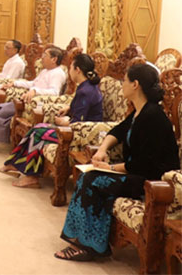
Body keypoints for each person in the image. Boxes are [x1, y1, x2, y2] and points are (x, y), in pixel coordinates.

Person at [55, 63, 179, 261]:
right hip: (136, 172)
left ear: (135, 84)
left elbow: (144, 165)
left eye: (125, 81)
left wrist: (110, 168)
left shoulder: (153, 116)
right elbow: (118, 131)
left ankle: (90, 247)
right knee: (89, 175)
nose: (122, 84)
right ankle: (86, 239)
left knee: (92, 181)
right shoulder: (140, 111)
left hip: (152, 181)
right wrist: (103, 150)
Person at [0, 53, 103, 188]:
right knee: (37, 128)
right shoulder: (85, 86)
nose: (69, 70)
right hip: (76, 129)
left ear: (77, 70)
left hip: (81, 135)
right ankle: (14, 164)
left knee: (39, 133)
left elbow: (79, 122)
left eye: (71, 67)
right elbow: (81, 108)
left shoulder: (86, 90)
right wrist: (68, 108)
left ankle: (31, 177)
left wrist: (64, 122)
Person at [0, 46, 67, 151]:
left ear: (54, 59)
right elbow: (33, 83)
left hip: (36, 104)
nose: (42, 58)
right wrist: (14, 84)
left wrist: (35, 91)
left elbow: (54, 92)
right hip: (27, 99)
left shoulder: (58, 73)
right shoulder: (45, 71)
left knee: (2, 110)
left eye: (45, 55)